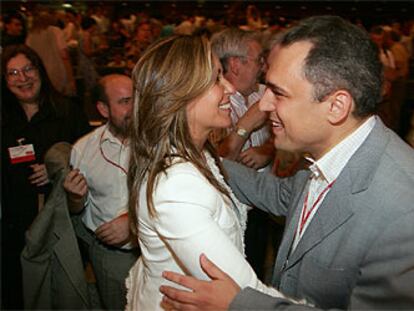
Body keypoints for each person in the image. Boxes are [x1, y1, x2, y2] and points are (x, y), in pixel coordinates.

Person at [159, 15, 414, 310]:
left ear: (336, 106)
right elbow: (277, 194)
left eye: (278, 93)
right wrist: (198, 159)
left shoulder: (402, 210)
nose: (264, 104)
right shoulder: (329, 157)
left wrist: (239, 305)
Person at [125, 34, 287, 311]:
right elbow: (243, 292)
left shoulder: (197, 153)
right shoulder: (175, 185)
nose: (230, 89)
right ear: (181, 94)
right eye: (216, 79)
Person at [1, 44, 90, 309]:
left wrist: (56, 168)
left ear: (39, 70)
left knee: (59, 296)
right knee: (16, 296)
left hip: (59, 225)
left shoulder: (67, 112)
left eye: (28, 69)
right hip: (12, 230)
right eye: (13, 72)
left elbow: (86, 160)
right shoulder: (3, 117)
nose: (23, 78)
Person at [63, 74, 139, 310]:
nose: (134, 108)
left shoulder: (158, 140)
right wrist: (75, 197)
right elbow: (77, 209)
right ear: (103, 109)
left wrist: (132, 221)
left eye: (136, 98)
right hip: (112, 258)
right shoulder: (84, 150)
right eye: (125, 101)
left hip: (156, 251)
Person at [210, 27, 275, 279]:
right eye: (259, 59)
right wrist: (246, 124)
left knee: (258, 268)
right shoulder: (216, 103)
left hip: (264, 202)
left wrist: (268, 149)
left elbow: (290, 138)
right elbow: (217, 163)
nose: (263, 66)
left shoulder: (264, 92)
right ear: (236, 65)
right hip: (232, 207)